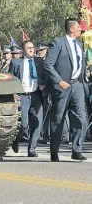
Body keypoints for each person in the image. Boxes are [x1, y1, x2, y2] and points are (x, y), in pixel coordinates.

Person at [44, 18, 88, 161]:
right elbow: (48, 65)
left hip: (77, 85)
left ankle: (77, 150)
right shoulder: (58, 43)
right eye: (78, 27)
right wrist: (59, 81)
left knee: (81, 118)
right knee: (58, 119)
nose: (81, 29)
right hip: (62, 86)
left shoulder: (79, 44)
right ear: (71, 29)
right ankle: (54, 151)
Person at [9, 40, 45, 157]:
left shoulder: (39, 61)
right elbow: (10, 79)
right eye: (28, 48)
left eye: (32, 48)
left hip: (36, 95)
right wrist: (14, 93)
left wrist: (43, 83)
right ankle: (16, 140)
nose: (31, 50)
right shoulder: (16, 63)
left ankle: (32, 149)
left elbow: (45, 75)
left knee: (37, 122)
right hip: (23, 96)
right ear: (23, 50)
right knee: (24, 124)